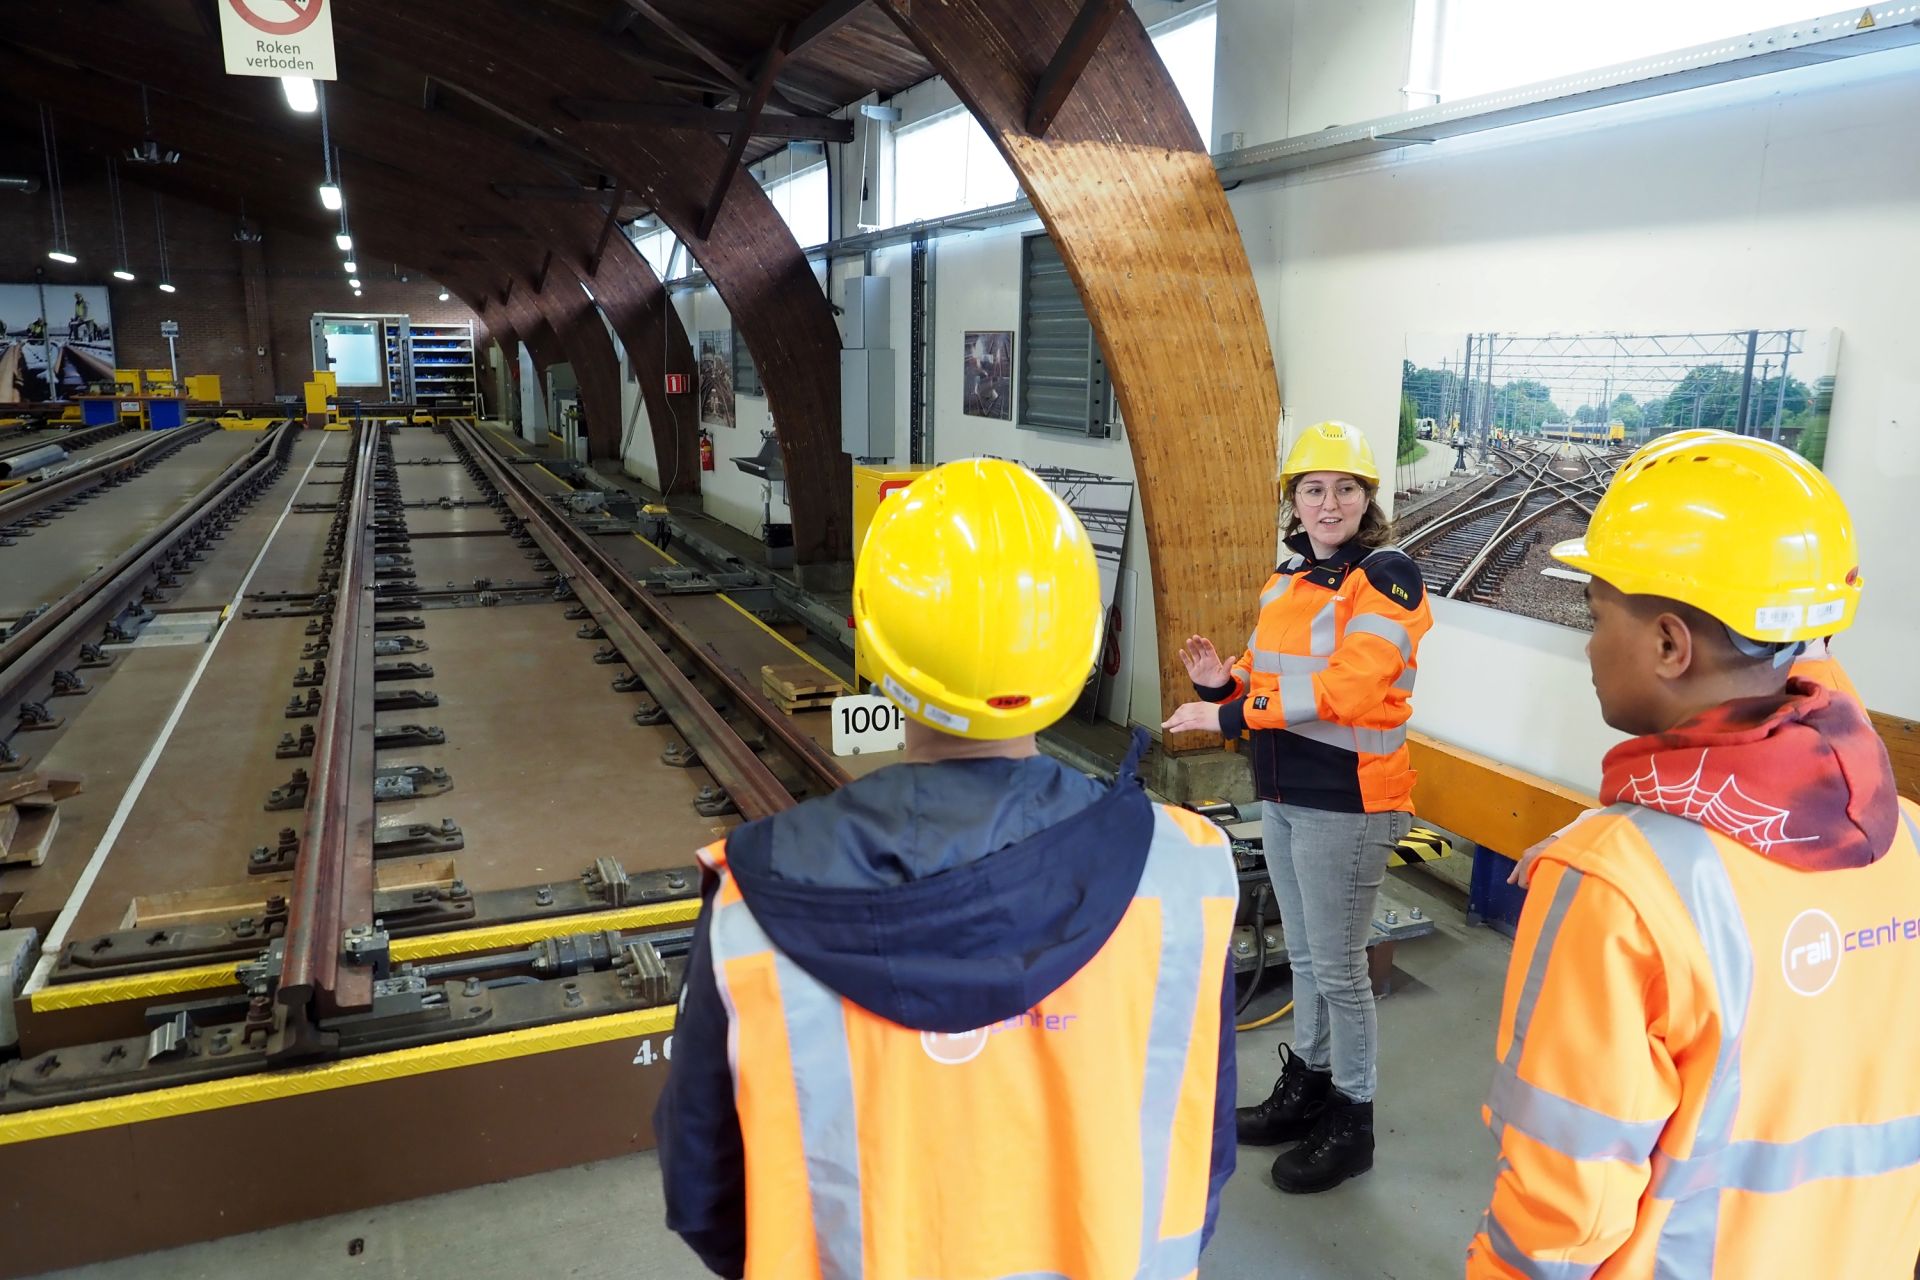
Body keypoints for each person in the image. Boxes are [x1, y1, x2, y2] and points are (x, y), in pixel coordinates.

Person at [655, 458, 1240, 1279]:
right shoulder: (1187, 875)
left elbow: (704, 1194)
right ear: (1083, 648)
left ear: (871, 639)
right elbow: (1204, 1148)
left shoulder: (752, 906)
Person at [1468, 433, 1920, 1278]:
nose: (1588, 645)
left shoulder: (1618, 888)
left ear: (1671, 645)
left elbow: (1560, 1214)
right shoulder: (1906, 837)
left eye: (1596, 616)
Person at [1164, 419, 1432, 1195]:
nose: (1328, 502)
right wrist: (1223, 683)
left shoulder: (1386, 578)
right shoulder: (1292, 578)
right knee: (1312, 959)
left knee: (1341, 971)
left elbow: (1347, 688)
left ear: (1368, 498)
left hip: (1346, 801)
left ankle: (1353, 1120)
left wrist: (1228, 717)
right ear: (1294, 501)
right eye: (1313, 489)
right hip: (1284, 789)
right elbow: (1266, 673)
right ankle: (1308, 1089)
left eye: (1345, 488)